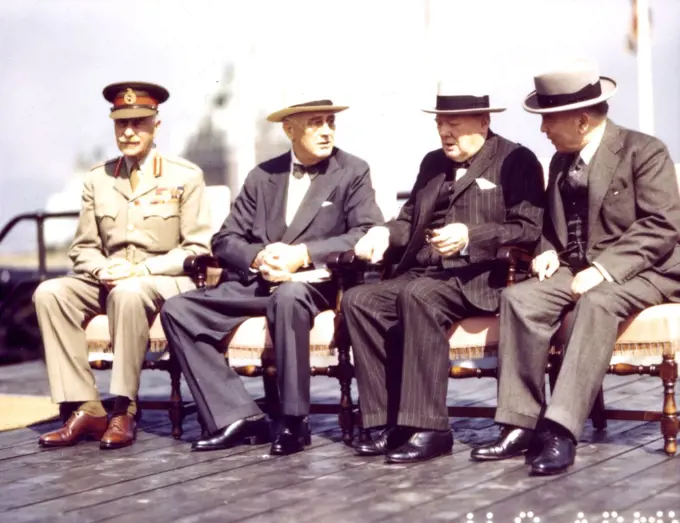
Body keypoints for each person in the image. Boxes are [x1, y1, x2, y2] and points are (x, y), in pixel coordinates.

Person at [471, 59, 680, 475]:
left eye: (549, 120)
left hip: (648, 271)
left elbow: (662, 226)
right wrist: (547, 248)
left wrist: (603, 271)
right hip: (578, 266)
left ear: (582, 120)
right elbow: (554, 224)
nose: (543, 130)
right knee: (519, 298)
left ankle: (561, 429)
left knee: (598, 302)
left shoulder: (644, 150)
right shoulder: (560, 162)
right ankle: (519, 422)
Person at [160, 98, 384, 456]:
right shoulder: (262, 176)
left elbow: (366, 230)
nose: (327, 130)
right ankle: (238, 416)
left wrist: (302, 255)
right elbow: (225, 239)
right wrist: (258, 256)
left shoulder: (352, 171)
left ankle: (293, 421)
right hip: (258, 282)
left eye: (330, 122)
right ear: (289, 129)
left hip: (316, 285)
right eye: (315, 123)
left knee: (288, 297)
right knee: (177, 309)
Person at [341, 81, 546, 464]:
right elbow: (409, 220)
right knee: (360, 300)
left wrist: (471, 236)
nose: (444, 132)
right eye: (440, 123)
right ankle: (387, 424)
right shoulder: (432, 162)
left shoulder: (517, 160)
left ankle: (429, 428)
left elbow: (527, 228)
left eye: (454, 122)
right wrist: (384, 232)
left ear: (483, 122)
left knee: (418, 295)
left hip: (481, 276)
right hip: (424, 272)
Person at [34, 81, 212, 449]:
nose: (129, 132)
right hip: (110, 277)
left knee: (128, 294)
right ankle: (86, 407)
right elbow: (83, 248)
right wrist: (102, 269)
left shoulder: (185, 176)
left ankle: (123, 409)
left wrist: (141, 271)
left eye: (138, 123)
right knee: (50, 292)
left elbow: (196, 248)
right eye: (121, 124)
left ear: (156, 126)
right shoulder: (98, 178)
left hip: (163, 280)